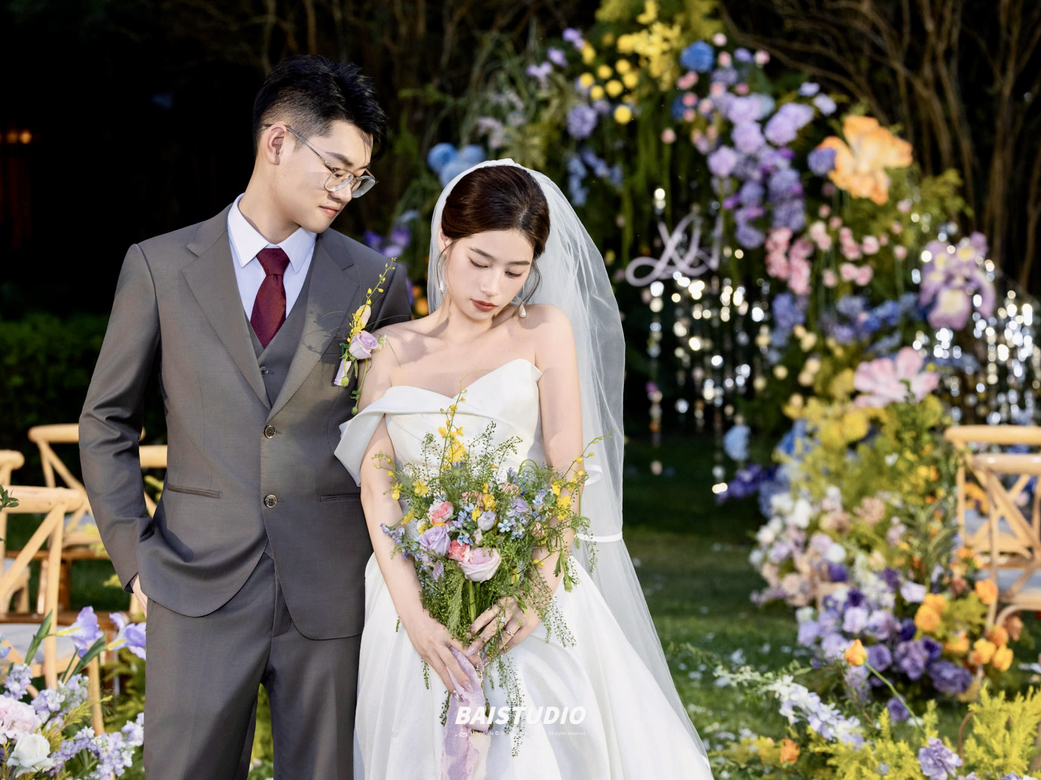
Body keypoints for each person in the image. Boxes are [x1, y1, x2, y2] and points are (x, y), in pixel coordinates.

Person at [79, 55, 411, 780]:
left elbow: (394, 436)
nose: (345, 190)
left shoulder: (378, 282)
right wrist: (136, 559)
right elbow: (106, 421)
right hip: (193, 578)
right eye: (336, 169)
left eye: (358, 178)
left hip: (330, 590)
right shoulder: (159, 267)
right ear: (277, 142)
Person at [335, 160, 714, 778]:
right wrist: (416, 618)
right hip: (413, 584)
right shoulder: (390, 350)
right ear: (446, 241)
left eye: (516, 271)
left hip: (527, 571)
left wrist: (535, 595)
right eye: (479, 262)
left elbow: (568, 473)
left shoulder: (543, 330)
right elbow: (378, 494)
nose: (494, 286)